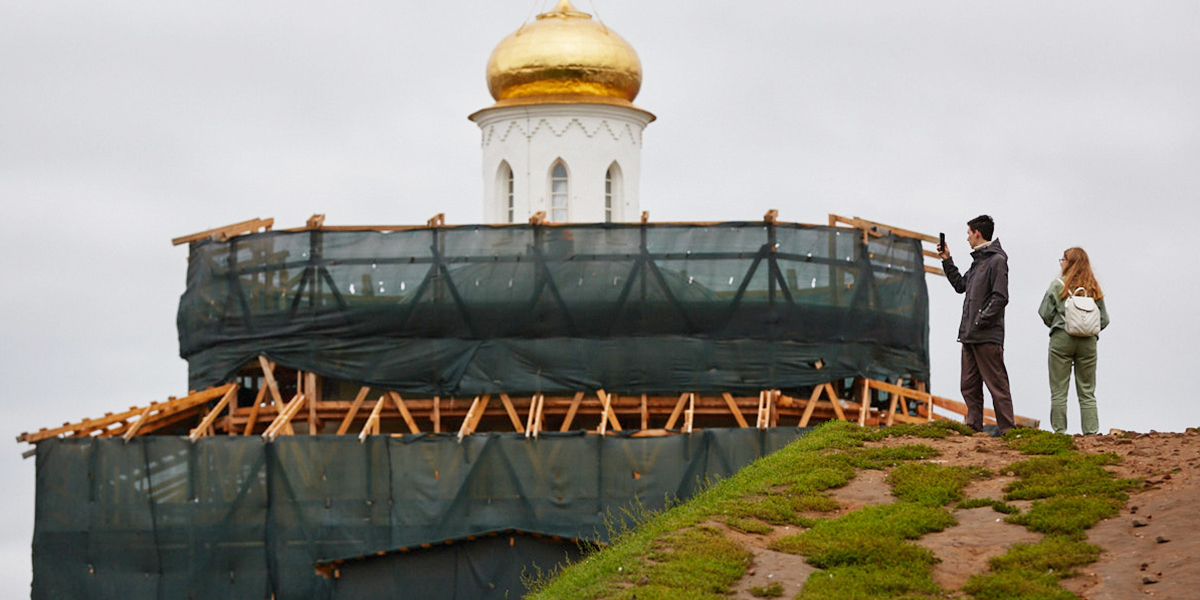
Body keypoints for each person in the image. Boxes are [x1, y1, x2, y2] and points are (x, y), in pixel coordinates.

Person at [937, 215, 1016, 435]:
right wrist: (947, 259)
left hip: (987, 336)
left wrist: (980, 320)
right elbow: (961, 285)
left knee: (997, 385)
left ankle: (1009, 431)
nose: (967, 238)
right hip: (970, 335)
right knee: (969, 385)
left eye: (968, 234)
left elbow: (1000, 298)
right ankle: (973, 428)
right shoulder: (979, 261)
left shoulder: (997, 260)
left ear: (977, 234)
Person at [1038, 247, 1110, 435]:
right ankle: (1091, 432)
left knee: (1059, 390)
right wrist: (1087, 330)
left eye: (1063, 259)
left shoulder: (1057, 285)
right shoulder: (1093, 288)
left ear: (1069, 263)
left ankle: (1060, 432)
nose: (1061, 263)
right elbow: (1104, 320)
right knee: (1087, 390)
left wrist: (1059, 325)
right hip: (1088, 342)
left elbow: (1044, 313)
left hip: (1061, 338)